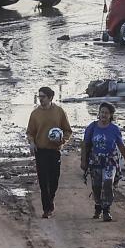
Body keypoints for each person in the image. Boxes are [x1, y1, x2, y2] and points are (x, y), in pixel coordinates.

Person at [26, 86, 72, 218]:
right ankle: (47, 209)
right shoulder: (35, 114)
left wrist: (62, 140)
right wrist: (32, 142)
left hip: (55, 150)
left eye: (43, 97)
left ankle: (50, 200)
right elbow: (30, 132)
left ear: (50, 97)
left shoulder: (59, 112)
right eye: (39, 96)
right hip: (40, 151)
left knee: (54, 180)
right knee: (42, 180)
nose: (41, 99)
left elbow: (68, 130)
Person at [80, 102, 125, 222]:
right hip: (95, 160)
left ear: (111, 115)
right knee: (96, 186)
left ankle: (106, 210)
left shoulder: (114, 129)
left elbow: (121, 145)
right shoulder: (92, 127)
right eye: (102, 112)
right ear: (99, 113)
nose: (103, 115)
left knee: (107, 183)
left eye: (106, 113)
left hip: (110, 161)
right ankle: (98, 206)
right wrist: (83, 161)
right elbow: (85, 145)